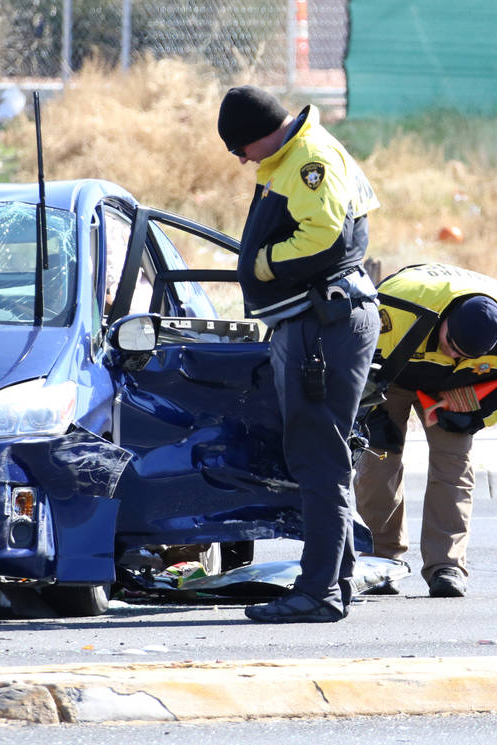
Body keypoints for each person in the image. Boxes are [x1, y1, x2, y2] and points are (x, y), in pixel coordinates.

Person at [217, 85, 381, 623]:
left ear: (257, 136)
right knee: (323, 457)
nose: (239, 159)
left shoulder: (307, 159)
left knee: (316, 460)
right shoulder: (298, 154)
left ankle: (317, 593)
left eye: (238, 148)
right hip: (320, 322)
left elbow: (324, 237)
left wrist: (262, 263)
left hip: (321, 326)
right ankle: (338, 581)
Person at [353, 263, 497, 597]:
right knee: (379, 460)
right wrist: (363, 407)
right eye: (452, 344)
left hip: (457, 386)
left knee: (454, 467)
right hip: (390, 374)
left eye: (465, 353)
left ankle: (447, 567)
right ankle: (381, 560)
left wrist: (478, 417)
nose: (453, 354)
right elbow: (350, 354)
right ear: (445, 321)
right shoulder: (394, 307)